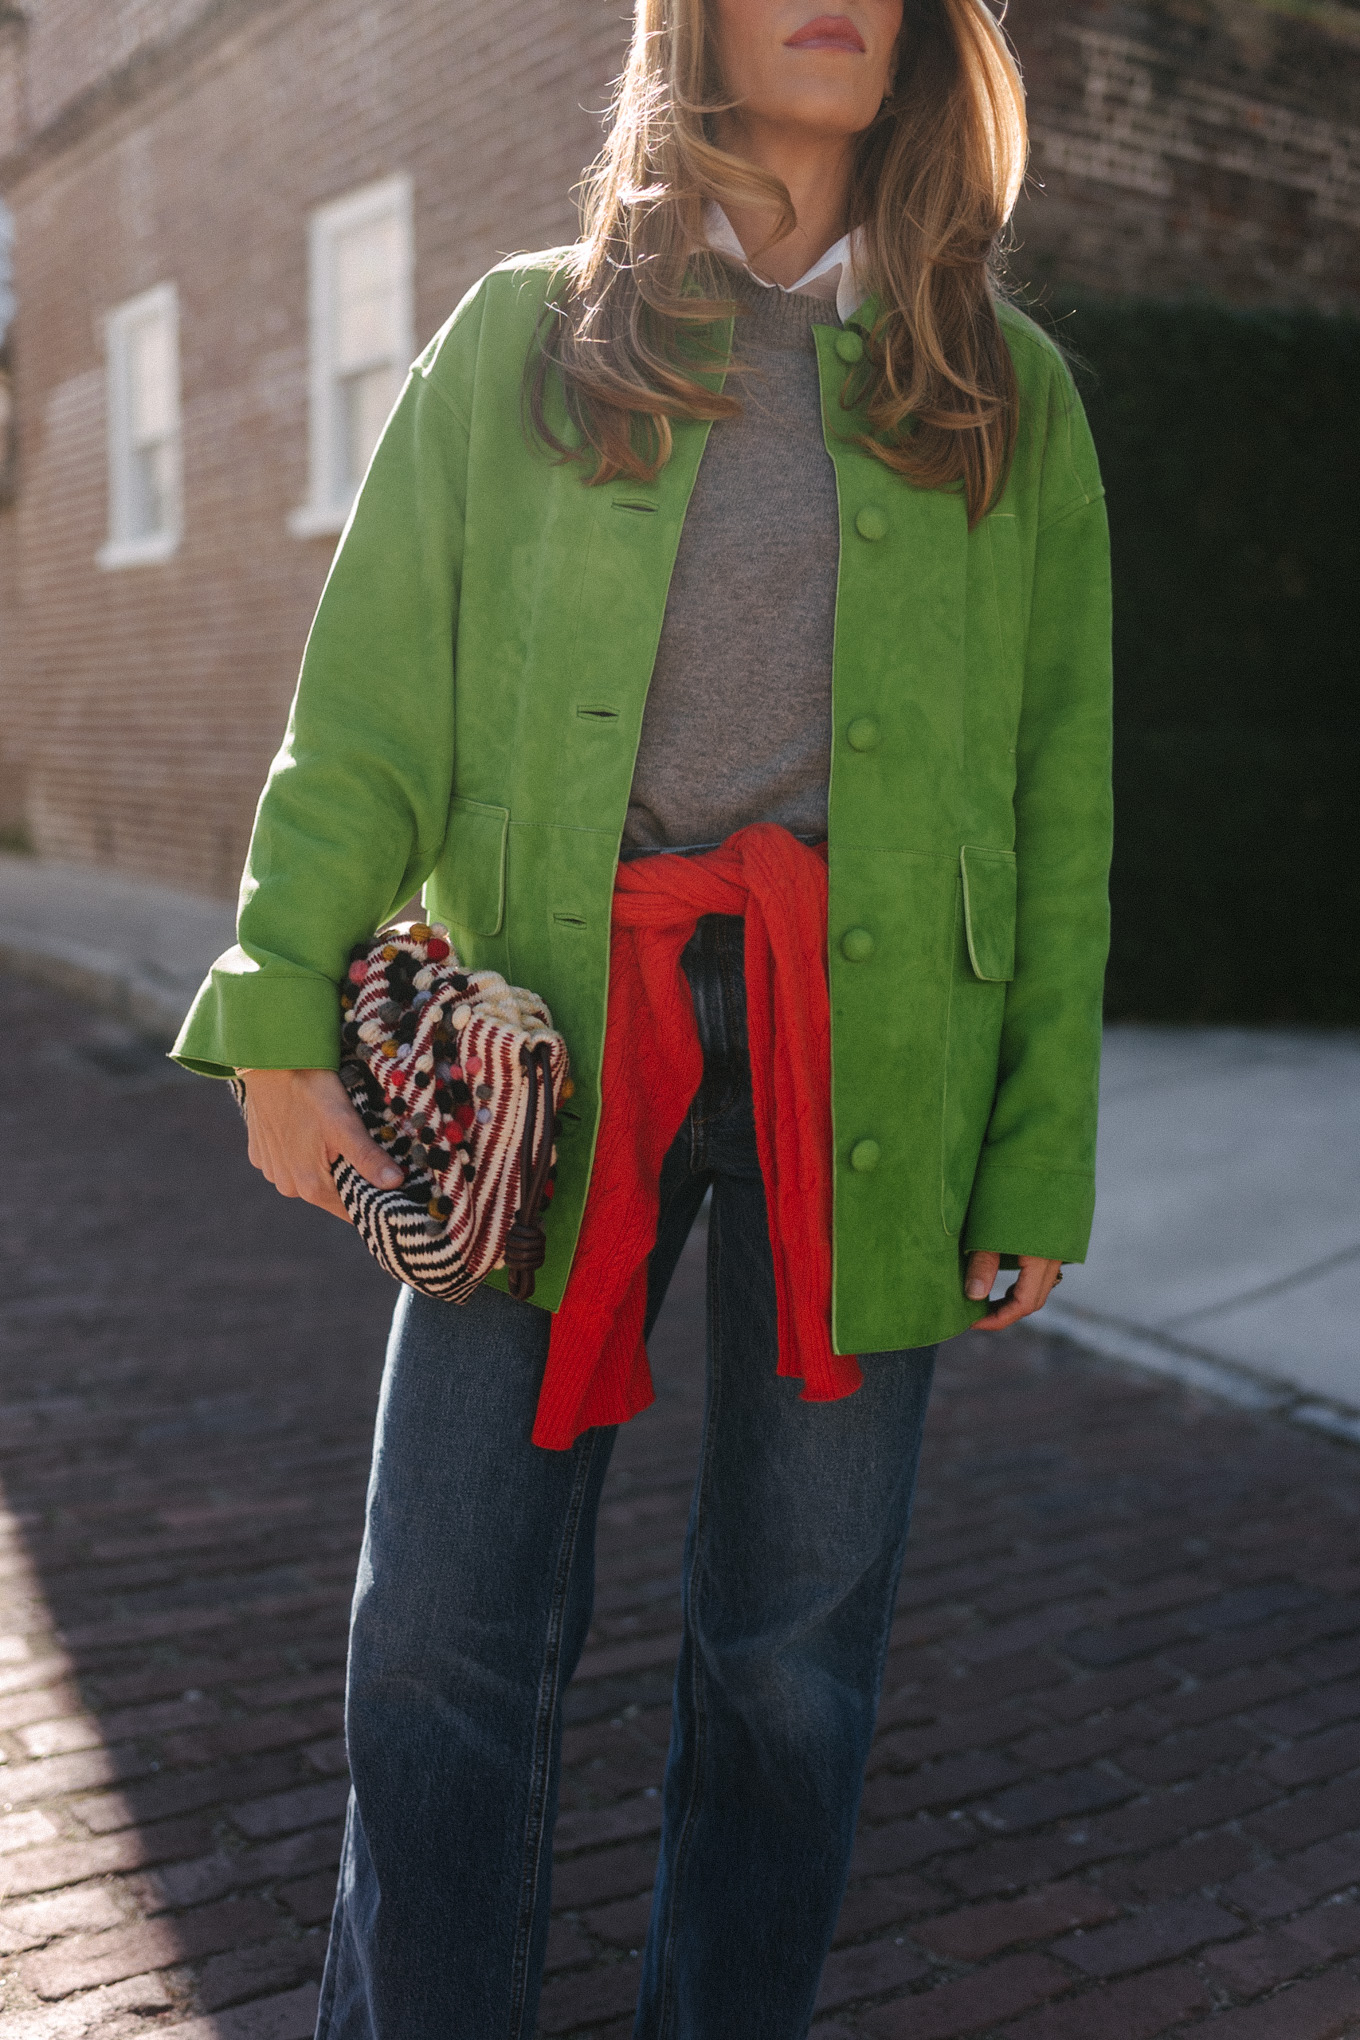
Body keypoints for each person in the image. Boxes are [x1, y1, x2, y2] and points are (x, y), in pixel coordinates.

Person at [174, 0, 1112, 2031]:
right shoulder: (522, 339)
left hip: (870, 1057)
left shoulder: (1004, 393)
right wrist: (276, 1008)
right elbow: (369, 709)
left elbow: (1060, 804)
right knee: (439, 1622)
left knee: (790, 1657)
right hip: (543, 1045)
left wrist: (1037, 1145)